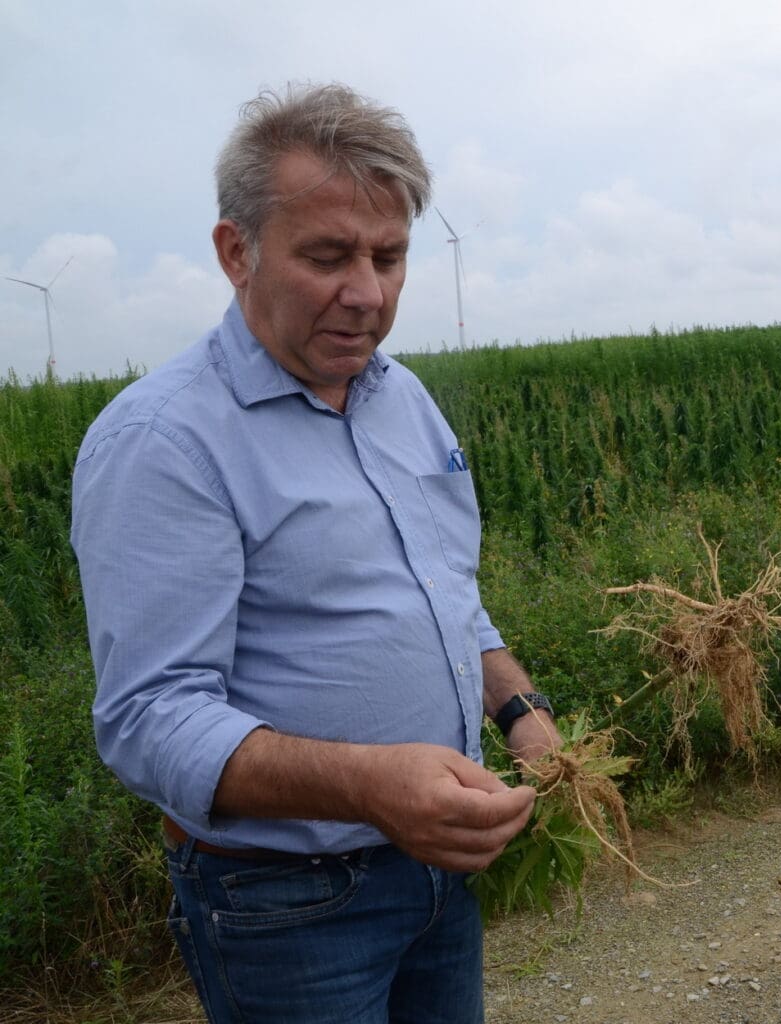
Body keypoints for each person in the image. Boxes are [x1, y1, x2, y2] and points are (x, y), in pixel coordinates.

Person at [71, 83, 561, 1024]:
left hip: (438, 874)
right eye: (328, 256)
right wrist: (372, 787)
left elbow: (442, 594)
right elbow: (149, 717)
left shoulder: (400, 398)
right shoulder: (166, 440)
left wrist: (520, 709)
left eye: (389, 256)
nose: (367, 294)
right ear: (235, 251)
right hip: (288, 907)